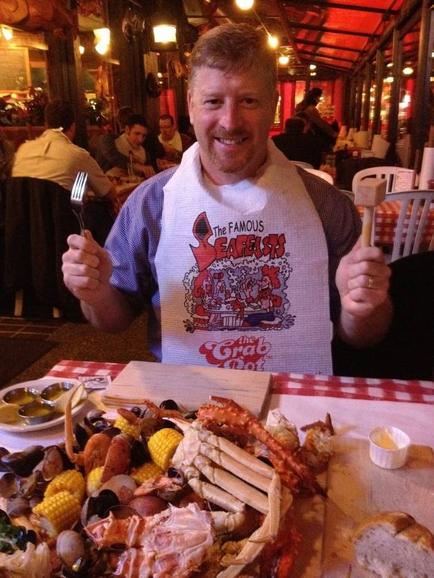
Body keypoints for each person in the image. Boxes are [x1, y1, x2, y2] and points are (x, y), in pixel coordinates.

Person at [62, 23, 392, 374]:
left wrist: (363, 309)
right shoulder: (150, 204)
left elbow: (364, 336)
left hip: (298, 410)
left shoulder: (327, 205)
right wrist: (95, 293)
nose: (230, 121)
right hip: (186, 410)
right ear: (191, 105)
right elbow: (114, 320)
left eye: (249, 101)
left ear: (273, 105)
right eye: (213, 101)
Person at [12, 99, 114, 198]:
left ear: (46, 125)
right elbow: (108, 193)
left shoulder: (23, 150)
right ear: (73, 126)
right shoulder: (78, 155)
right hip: (61, 215)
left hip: (22, 215)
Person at [295, 87, 338, 156]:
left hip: (299, 134)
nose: (319, 100)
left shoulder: (300, 106)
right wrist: (333, 134)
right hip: (308, 135)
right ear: (315, 98)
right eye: (319, 98)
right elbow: (321, 124)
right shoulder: (311, 109)